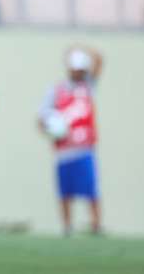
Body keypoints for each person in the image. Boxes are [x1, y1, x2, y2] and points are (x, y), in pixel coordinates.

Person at [38, 47, 103, 236]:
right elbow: (42, 117)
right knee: (65, 191)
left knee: (91, 190)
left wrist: (82, 47)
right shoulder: (57, 90)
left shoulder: (88, 87)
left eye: (82, 70)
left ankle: (96, 225)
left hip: (84, 148)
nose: (79, 73)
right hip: (64, 149)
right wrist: (50, 128)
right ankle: (67, 226)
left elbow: (99, 60)